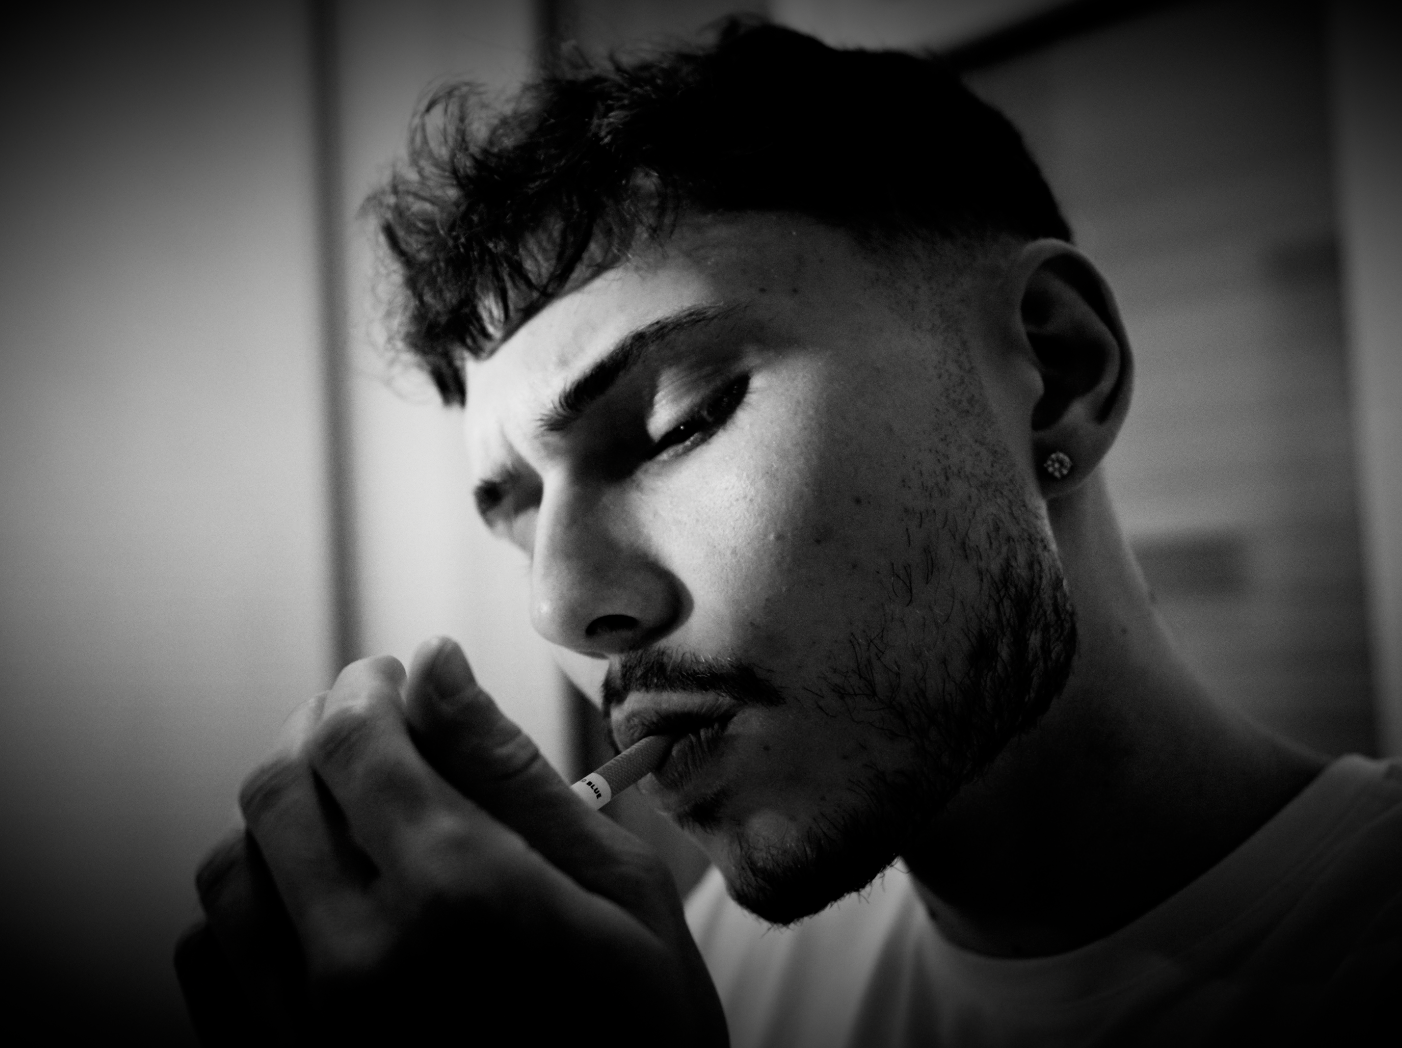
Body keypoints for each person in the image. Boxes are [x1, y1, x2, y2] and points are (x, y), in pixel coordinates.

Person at [176, 19, 1402, 1047]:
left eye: (677, 422)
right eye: (517, 514)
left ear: (1057, 368)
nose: (565, 607)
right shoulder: (714, 973)